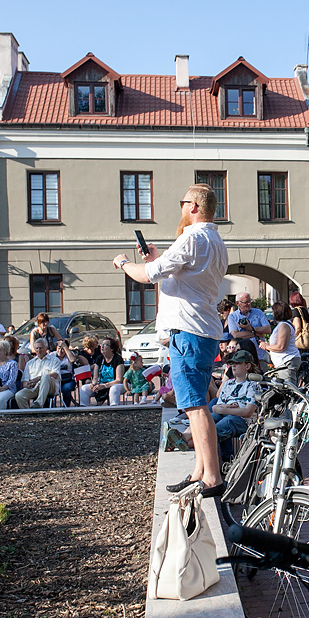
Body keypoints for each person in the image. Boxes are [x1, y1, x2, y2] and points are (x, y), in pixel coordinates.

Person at [113, 183, 228, 497]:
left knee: (194, 406)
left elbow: (149, 275)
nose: (181, 209)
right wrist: (156, 259)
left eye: (182, 203)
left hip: (187, 332)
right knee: (197, 402)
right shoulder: (215, 240)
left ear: (192, 206)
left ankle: (212, 477)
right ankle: (200, 471)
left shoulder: (191, 237)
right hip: (202, 330)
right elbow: (178, 275)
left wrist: (124, 263)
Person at [167, 350, 260, 457]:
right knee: (209, 419)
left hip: (241, 421)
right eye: (232, 363)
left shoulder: (253, 385)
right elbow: (217, 405)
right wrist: (223, 408)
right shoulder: (228, 383)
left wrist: (224, 409)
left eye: (238, 363)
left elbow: (248, 412)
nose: (233, 366)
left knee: (223, 423)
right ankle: (183, 439)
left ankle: (180, 443)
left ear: (247, 366)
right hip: (224, 414)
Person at [258, 302, 301, 384]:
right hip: (285, 361)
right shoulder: (284, 324)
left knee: (288, 389)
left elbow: (281, 347)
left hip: (287, 361)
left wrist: (266, 346)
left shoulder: (284, 326)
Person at [15, 338, 61, 409]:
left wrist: (38, 378)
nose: (39, 350)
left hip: (50, 387)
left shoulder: (54, 360)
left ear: (46, 348)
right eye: (36, 348)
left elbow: (55, 374)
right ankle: (29, 414)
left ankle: (38, 404)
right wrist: (28, 384)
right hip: (34, 388)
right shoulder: (30, 363)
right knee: (19, 395)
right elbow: (24, 381)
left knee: (45, 377)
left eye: (41, 348)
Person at [227, 292, 271, 366]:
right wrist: (257, 333)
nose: (249, 304)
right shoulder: (232, 317)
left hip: (260, 355)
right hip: (242, 357)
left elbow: (268, 329)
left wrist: (250, 328)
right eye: (246, 302)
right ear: (237, 303)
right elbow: (236, 335)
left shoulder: (258, 312)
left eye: (249, 301)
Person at [78, 336, 125, 406]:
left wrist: (104, 385)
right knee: (84, 388)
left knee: (114, 388)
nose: (102, 347)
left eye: (105, 345)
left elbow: (119, 380)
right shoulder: (99, 359)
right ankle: (84, 409)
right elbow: (95, 378)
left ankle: (114, 408)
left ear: (112, 348)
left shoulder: (118, 359)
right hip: (101, 384)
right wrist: (93, 384)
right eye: (101, 345)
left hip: (116, 384)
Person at [55, 339, 81, 407]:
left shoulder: (70, 354)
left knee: (65, 389)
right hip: (56, 379)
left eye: (63, 349)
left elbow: (72, 360)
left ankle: (66, 407)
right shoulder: (52, 355)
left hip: (68, 379)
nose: (60, 351)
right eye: (59, 348)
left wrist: (65, 347)